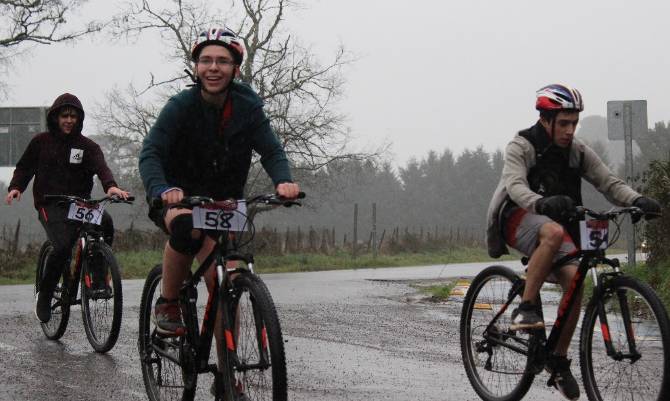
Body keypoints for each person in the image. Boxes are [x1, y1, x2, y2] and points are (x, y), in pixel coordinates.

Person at [486, 84, 661, 400]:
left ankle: (559, 361)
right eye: (563, 123)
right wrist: (542, 203)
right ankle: (525, 308)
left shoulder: (578, 151)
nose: (569, 130)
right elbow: (514, 187)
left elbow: (608, 182)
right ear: (546, 120)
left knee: (576, 284)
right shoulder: (522, 145)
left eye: (573, 123)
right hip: (517, 216)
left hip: (554, 222)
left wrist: (638, 199)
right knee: (551, 233)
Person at [138, 27, 300, 337]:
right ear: (196, 67)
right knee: (187, 228)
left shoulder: (248, 108)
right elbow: (151, 153)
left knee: (227, 285)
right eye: (206, 60)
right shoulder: (180, 106)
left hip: (224, 201)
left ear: (235, 69)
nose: (214, 68)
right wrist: (162, 189)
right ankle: (168, 301)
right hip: (177, 195)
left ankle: (229, 379)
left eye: (223, 61)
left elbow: (271, 150)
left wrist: (284, 182)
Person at [5, 93, 130, 323]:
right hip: (49, 203)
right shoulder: (41, 142)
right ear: (56, 117)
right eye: (65, 115)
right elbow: (24, 168)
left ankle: (99, 277)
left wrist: (111, 187)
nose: (69, 120)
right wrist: (16, 187)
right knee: (62, 247)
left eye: (73, 116)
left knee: (106, 223)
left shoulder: (88, 147)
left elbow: (102, 168)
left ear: (79, 119)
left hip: (79, 204)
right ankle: (44, 295)